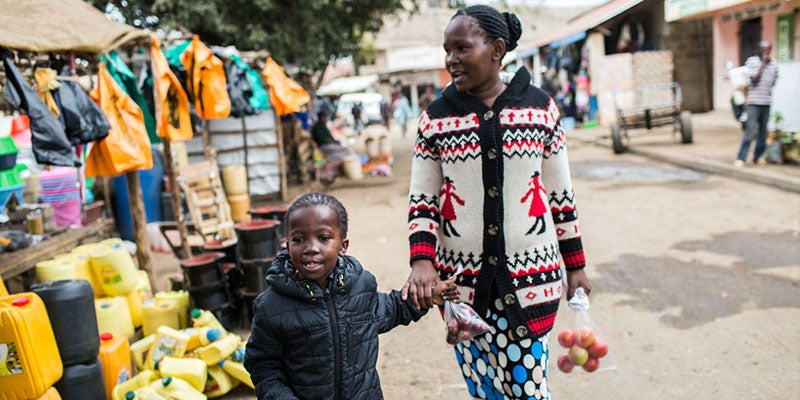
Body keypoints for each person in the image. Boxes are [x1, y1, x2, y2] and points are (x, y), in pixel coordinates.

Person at [402, 5, 592, 399]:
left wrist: (576, 266)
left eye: (461, 48)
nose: (450, 59)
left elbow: (561, 197)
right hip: (461, 290)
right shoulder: (435, 119)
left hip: (531, 282)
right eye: (446, 50)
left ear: (496, 49)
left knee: (528, 390)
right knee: (483, 387)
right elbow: (423, 199)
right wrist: (422, 261)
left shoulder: (540, 109)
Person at [244, 192, 457, 400]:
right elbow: (263, 366)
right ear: (287, 245)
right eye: (299, 239)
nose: (311, 248)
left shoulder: (361, 286)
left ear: (343, 246)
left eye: (324, 238)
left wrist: (428, 295)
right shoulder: (271, 306)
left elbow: (391, 308)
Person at [735, 40, 778, 167]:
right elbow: (754, 80)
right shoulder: (752, 62)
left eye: (768, 49)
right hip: (753, 102)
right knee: (750, 131)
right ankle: (741, 158)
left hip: (766, 102)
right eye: (764, 49)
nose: (767, 52)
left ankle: (758, 157)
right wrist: (763, 64)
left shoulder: (774, 65)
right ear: (759, 50)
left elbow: (773, 82)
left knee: (763, 132)